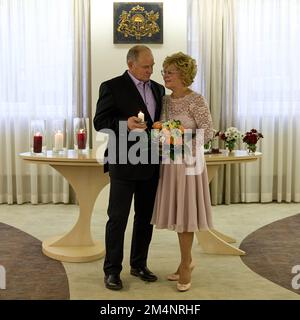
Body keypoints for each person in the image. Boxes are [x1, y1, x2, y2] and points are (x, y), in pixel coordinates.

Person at [93, 45, 165, 290]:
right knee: (118, 219)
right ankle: (112, 270)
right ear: (131, 64)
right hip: (123, 162)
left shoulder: (158, 89)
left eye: (152, 65)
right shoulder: (111, 86)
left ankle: (139, 264)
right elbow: (100, 122)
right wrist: (125, 124)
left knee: (145, 219)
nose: (151, 70)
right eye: (146, 66)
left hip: (151, 163)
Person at [151, 52, 214, 292]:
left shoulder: (196, 100)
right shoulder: (165, 101)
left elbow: (207, 132)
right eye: (164, 71)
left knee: (186, 214)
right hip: (170, 162)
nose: (165, 75)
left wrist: (181, 141)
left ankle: (186, 264)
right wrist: (159, 136)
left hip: (189, 163)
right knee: (178, 213)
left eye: (169, 71)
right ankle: (185, 260)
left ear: (183, 74)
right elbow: (162, 131)